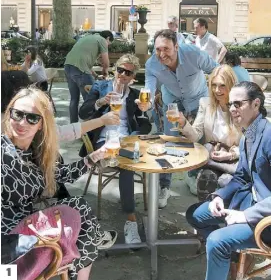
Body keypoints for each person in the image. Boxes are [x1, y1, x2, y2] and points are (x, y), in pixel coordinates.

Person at [1, 87, 117, 280]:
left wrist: (94, 157)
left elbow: (59, 175)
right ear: (9, 114)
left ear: (41, 124)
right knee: (82, 221)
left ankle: (81, 269)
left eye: (32, 118)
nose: (22, 122)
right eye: (18, 114)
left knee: (80, 206)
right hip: (11, 243)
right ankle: (92, 244)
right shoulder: (3, 151)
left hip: (26, 225)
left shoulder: (34, 152)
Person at [186, 81, 271, 280]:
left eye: (238, 104)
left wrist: (246, 215)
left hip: (265, 220)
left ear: (256, 104)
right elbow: (242, 177)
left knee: (217, 241)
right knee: (195, 214)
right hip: (247, 204)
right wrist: (218, 196)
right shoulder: (247, 135)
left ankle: (227, 251)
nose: (232, 109)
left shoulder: (268, 136)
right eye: (230, 104)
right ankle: (231, 258)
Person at [138, 29, 218, 208]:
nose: (161, 54)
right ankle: (164, 186)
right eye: (157, 49)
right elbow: (149, 92)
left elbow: (216, 71)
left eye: (166, 49)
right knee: (169, 143)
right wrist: (147, 104)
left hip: (198, 101)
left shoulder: (193, 53)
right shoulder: (152, 64)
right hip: (172, 104)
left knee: (197, 143)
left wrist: (217, 99)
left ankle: (192, 177)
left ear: (176, 46)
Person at [79, 54, 152, 244]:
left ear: (133, 76)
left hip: (125, 142)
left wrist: (144, 111)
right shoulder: (100, 87)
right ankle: (131, 220)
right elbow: (83, 113)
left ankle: (132, 220)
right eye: (120, 70)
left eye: (128, 72)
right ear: (114, 69)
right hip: (102, 141)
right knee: (127, 164)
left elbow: (146, 127)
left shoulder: (135, 96)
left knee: (127, 161)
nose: (123, 75)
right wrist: (101, 102)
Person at [174, 65, 242, 199]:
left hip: (234, 159)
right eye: (213, 85)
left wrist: (230, 155)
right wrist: (183, 123)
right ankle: (205, 213)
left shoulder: (241, 107)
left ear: (232, 85)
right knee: (206, 181)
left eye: (222, 85)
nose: (217, 90)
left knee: (226, 182)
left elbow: (249, 143)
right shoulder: (205, 103)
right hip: (212, 158)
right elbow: (195, 136)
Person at [64, 30, 114, 123]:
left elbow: (85, 65)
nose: (107, 46)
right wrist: (105, 71)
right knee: (91, 100)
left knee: (74, 99)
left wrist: (96, 76)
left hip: (68, 67)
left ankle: (73, 126)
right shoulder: (102, 40)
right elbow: (106, 62)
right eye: (109, 44)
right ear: (107, 38)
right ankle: (90, 129)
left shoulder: (86, 37)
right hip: (80, 70)